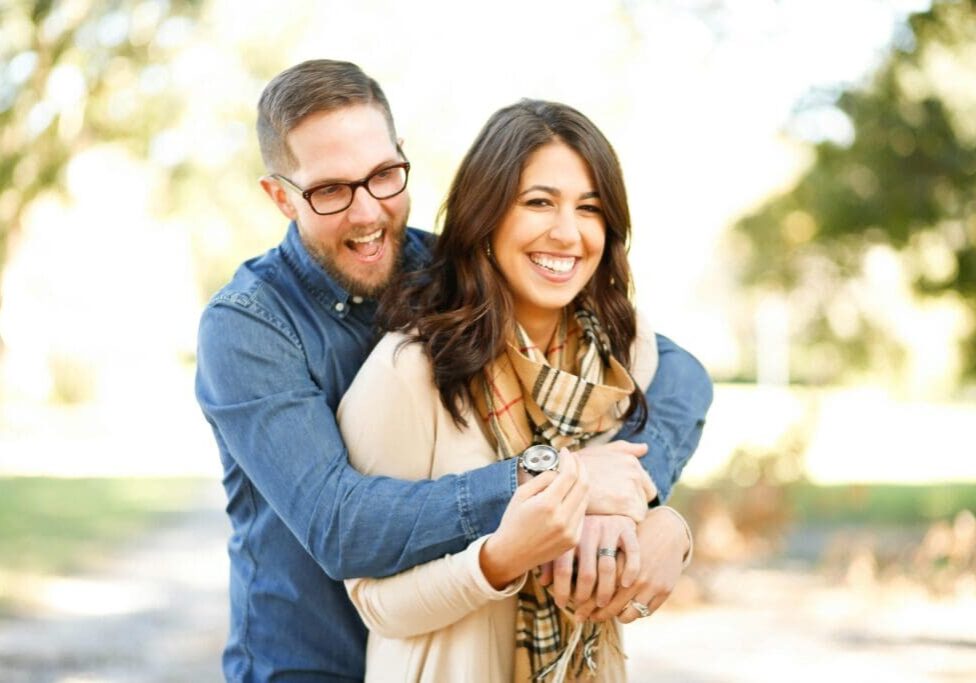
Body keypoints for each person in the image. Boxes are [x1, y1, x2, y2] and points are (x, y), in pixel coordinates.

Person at [194, 59, 713, 683]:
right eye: (330, 190)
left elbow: (678, 373)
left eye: (384, 175)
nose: (367, 214)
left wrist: (635, 501)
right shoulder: (249, 325)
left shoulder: (454, 272)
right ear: (280, 195)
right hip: (308, 663)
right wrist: (551, 481)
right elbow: (341, 524)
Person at [337, 99, 690, 682]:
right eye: (539, 203)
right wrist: (502, 558)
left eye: (590, 208)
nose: (567, 232)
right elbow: (374, 600)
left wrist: (667, 529)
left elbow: (628, 488)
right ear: (487, 217)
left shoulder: (621, 353)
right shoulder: (410, 371)